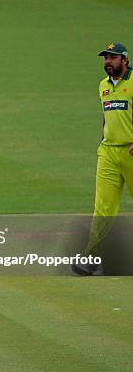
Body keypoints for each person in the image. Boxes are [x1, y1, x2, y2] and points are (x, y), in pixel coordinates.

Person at [73, 43, 133, 276]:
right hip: (108, 152)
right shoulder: (103, 86)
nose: (108, 62)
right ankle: (91, 256)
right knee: (103, 208)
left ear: (125, 60)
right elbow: (109, 118)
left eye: (113, 58)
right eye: (106, 58)